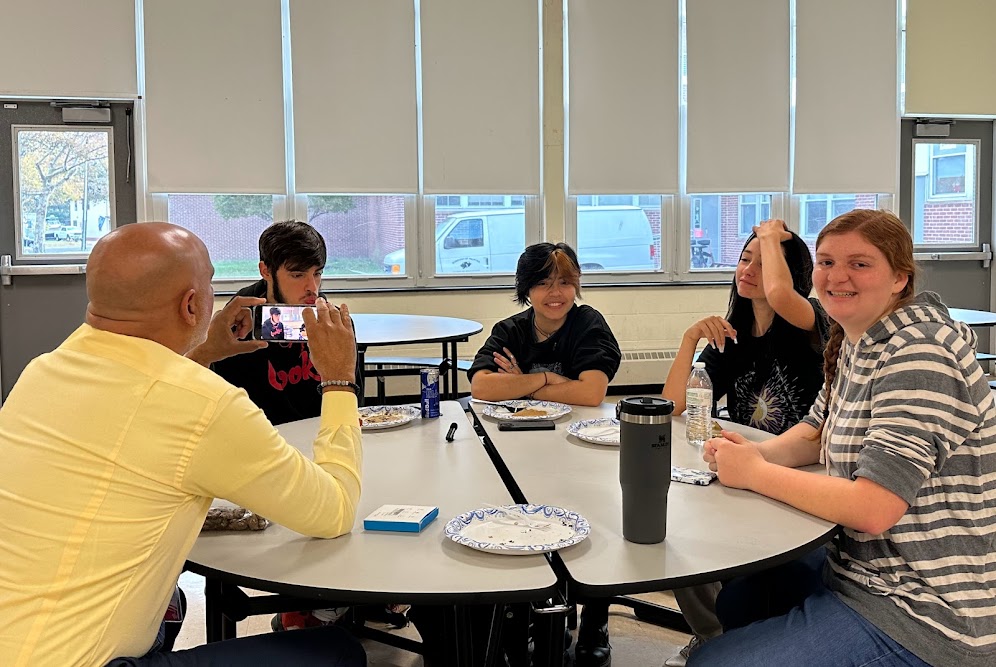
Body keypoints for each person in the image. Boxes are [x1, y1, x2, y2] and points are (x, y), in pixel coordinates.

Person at [0, 223, 366, 666]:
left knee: (171, 603)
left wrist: (205, 352)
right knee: (336, 652)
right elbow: (334, 511)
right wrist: (339, 378)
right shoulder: (204, 405)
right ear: (192, 305)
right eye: (211, 282)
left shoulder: (41, 372)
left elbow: (143, 396)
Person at [689, 210, 996, 667]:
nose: (838, 277)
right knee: (741, 599)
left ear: (900, 278)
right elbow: (815, 433)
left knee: (712, 663)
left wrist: (756, 473)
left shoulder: (920, 353)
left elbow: (875, 507)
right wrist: (756, 452)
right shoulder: (856, 340)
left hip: (925, 606)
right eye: (827, 262)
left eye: (860, 263)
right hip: (856, 566)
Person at [660, 220, 830, 665]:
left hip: (800, 470)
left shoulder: (812, 324)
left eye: (762, 260)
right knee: (673, 533)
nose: (748, 269)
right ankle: (714, 635)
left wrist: (772, 235)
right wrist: (688, 340)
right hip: (740, 465)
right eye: (744, 258)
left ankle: (743, 638)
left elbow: (779, 296)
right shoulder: (731, 335)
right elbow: (672, 406)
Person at [467, 242, 621, 667]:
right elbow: (481, 387)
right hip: (518, 448)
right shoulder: (511, 329)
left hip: (579, 447)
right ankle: (532, 614)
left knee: (593, 532)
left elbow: (591, 392)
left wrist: (523, 382)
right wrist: (551, 380)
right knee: (525, 525)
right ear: (526, 288)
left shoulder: (588, 324)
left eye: (566, 282)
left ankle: (595, 621)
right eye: (544, 283)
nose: (557, 293)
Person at [212, 220, 364, 426]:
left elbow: (352, 399)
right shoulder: (236, 326)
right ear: (266, 271)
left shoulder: (332, 324)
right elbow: (229, 412)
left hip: (325, 435)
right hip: (262, 443)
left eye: (317, 273)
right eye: (297, 275)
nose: (312, 287)